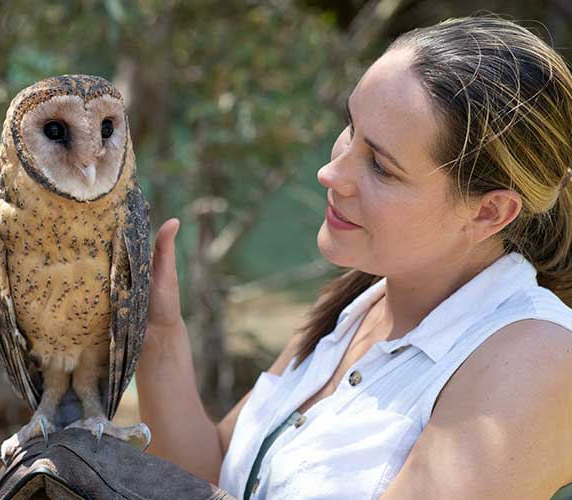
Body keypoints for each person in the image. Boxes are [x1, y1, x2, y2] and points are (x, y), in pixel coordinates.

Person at [136, 15, 572, 500]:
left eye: (381, 167)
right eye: (351, 128)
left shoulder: (539, 358)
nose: (330, 172)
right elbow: (212, 478)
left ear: (490, 212)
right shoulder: (360, 304)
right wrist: (158, 334)